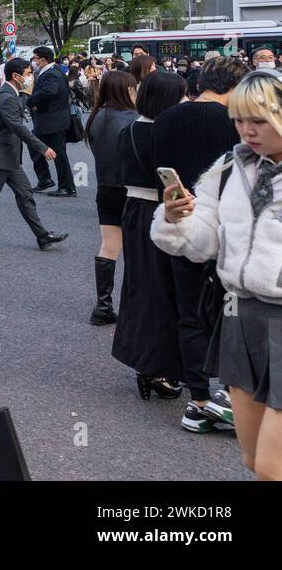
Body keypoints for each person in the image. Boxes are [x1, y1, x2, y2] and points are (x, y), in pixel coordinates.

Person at [155, 69, 282, 479]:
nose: (247, 130)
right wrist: (176, 218)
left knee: (270, 464)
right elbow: (203, 242)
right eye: (240, 119)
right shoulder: (229, 167)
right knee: (250, 459)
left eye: (259, 120)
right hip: (241, 321)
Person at [149, 55, 247, 433]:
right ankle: (231, 397)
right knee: (233, 314)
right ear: (234, 88)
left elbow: (157, 167)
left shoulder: (168, 118)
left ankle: (199, 400)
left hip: (181, 222)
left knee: (190, 313)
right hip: (228, 231)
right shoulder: (238, 125)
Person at [112, 70, 187, 402]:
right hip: (165, 211)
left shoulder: (127, 128)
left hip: (133, 209)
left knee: (142, 286)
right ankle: (161, 369)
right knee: (169, 290)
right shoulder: (168, 131)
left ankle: (147, 365)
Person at [0, 57, 69, 255]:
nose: (31, 77)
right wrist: (42, 148)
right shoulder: (6, 97)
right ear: (16, 76)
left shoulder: (11, 93)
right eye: (28, 74)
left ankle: (42, 235)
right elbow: (18, 127)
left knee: (25, 195)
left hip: (8, 158)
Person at [83, 70, 139, 325]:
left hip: (105, 188)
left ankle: (103, 306)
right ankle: (137, 306)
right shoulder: (133, 118)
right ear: (127, 90)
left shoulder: (96, 118)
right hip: (132, 189)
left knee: (109, 246)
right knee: (139, 251)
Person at [25, 46, 76, 197]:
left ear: (42, 59)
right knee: (35, 146)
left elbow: (49, 91)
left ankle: (67, 186)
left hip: (53, 120)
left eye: (35, 58)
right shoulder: (50, 71)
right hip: (48, 120)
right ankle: (45, 179)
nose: (33, 62)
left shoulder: (52, 73)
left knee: (59, 155)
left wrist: (31, 101)